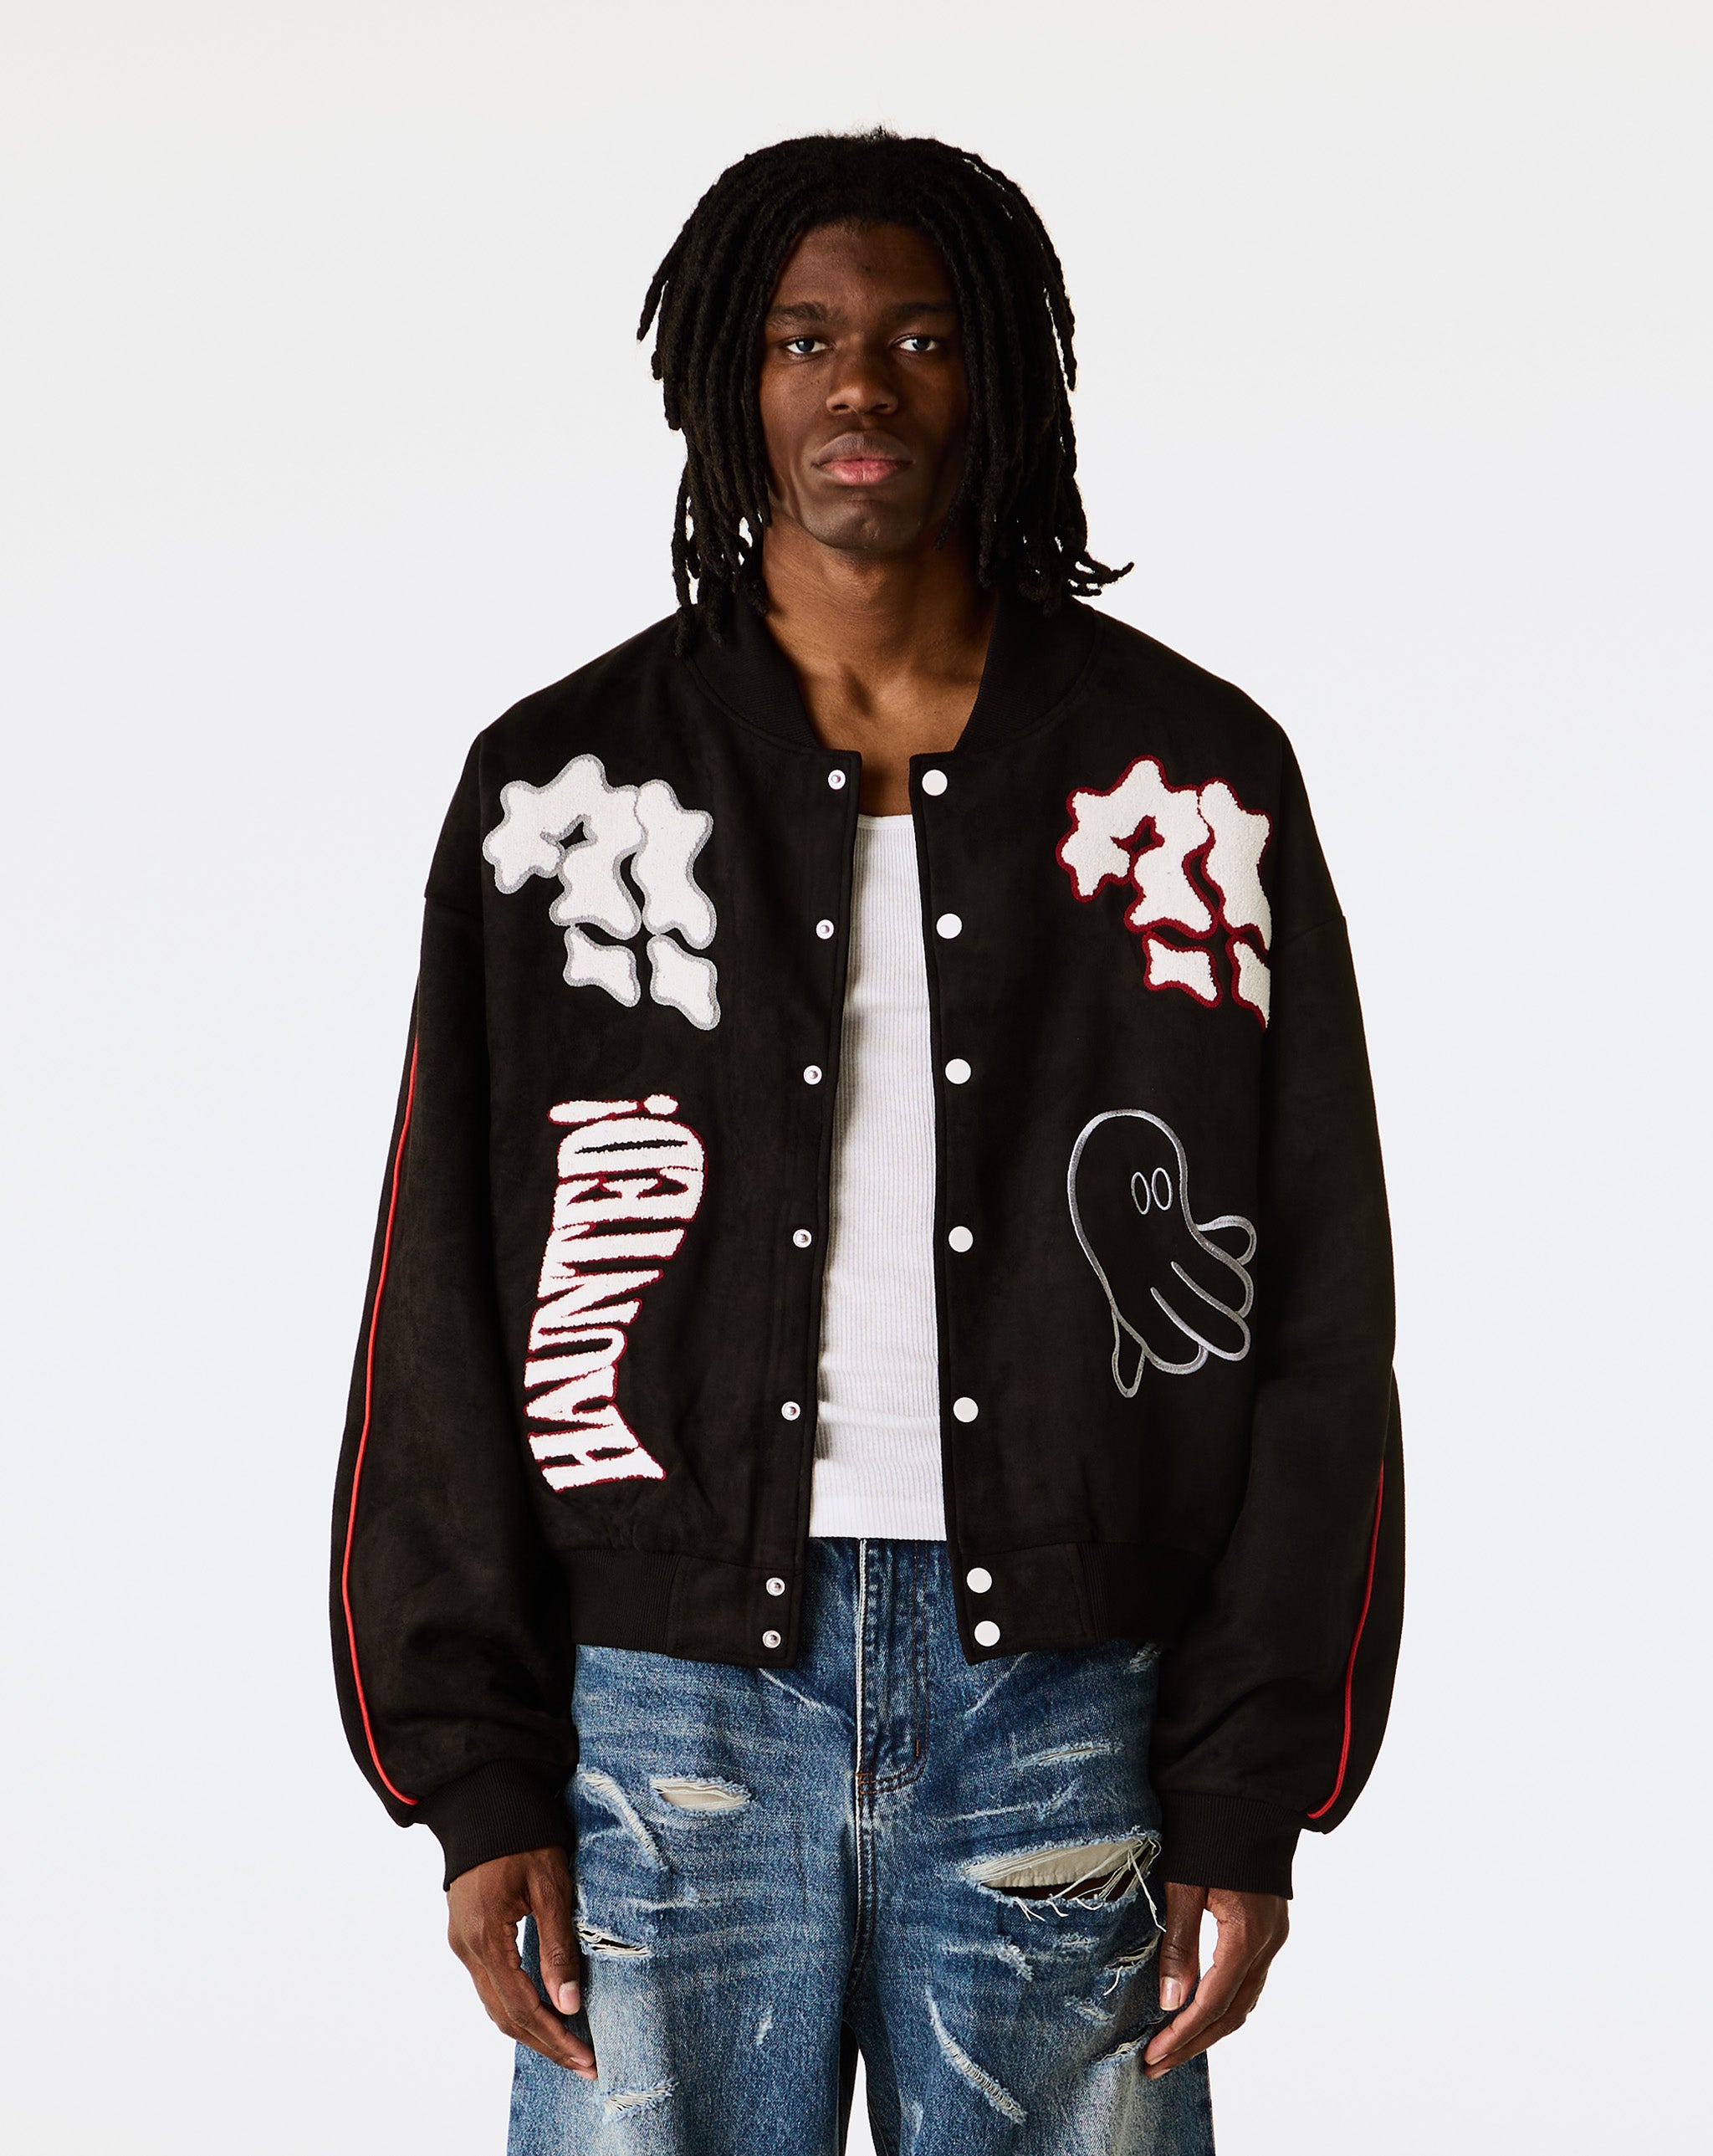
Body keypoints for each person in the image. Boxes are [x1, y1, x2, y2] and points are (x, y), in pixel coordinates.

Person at [331, 129, 1403, 2156]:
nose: (861, 387)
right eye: (802, 337)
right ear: (727, 382)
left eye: (918, 336)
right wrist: (473, 1766)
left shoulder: (1190, 781)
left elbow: (1322, 1308)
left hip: (1068, 1697)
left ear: (996, 373)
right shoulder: (566, 791)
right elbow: (442, 1286)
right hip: (661, 1696)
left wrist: (1248, 1777)